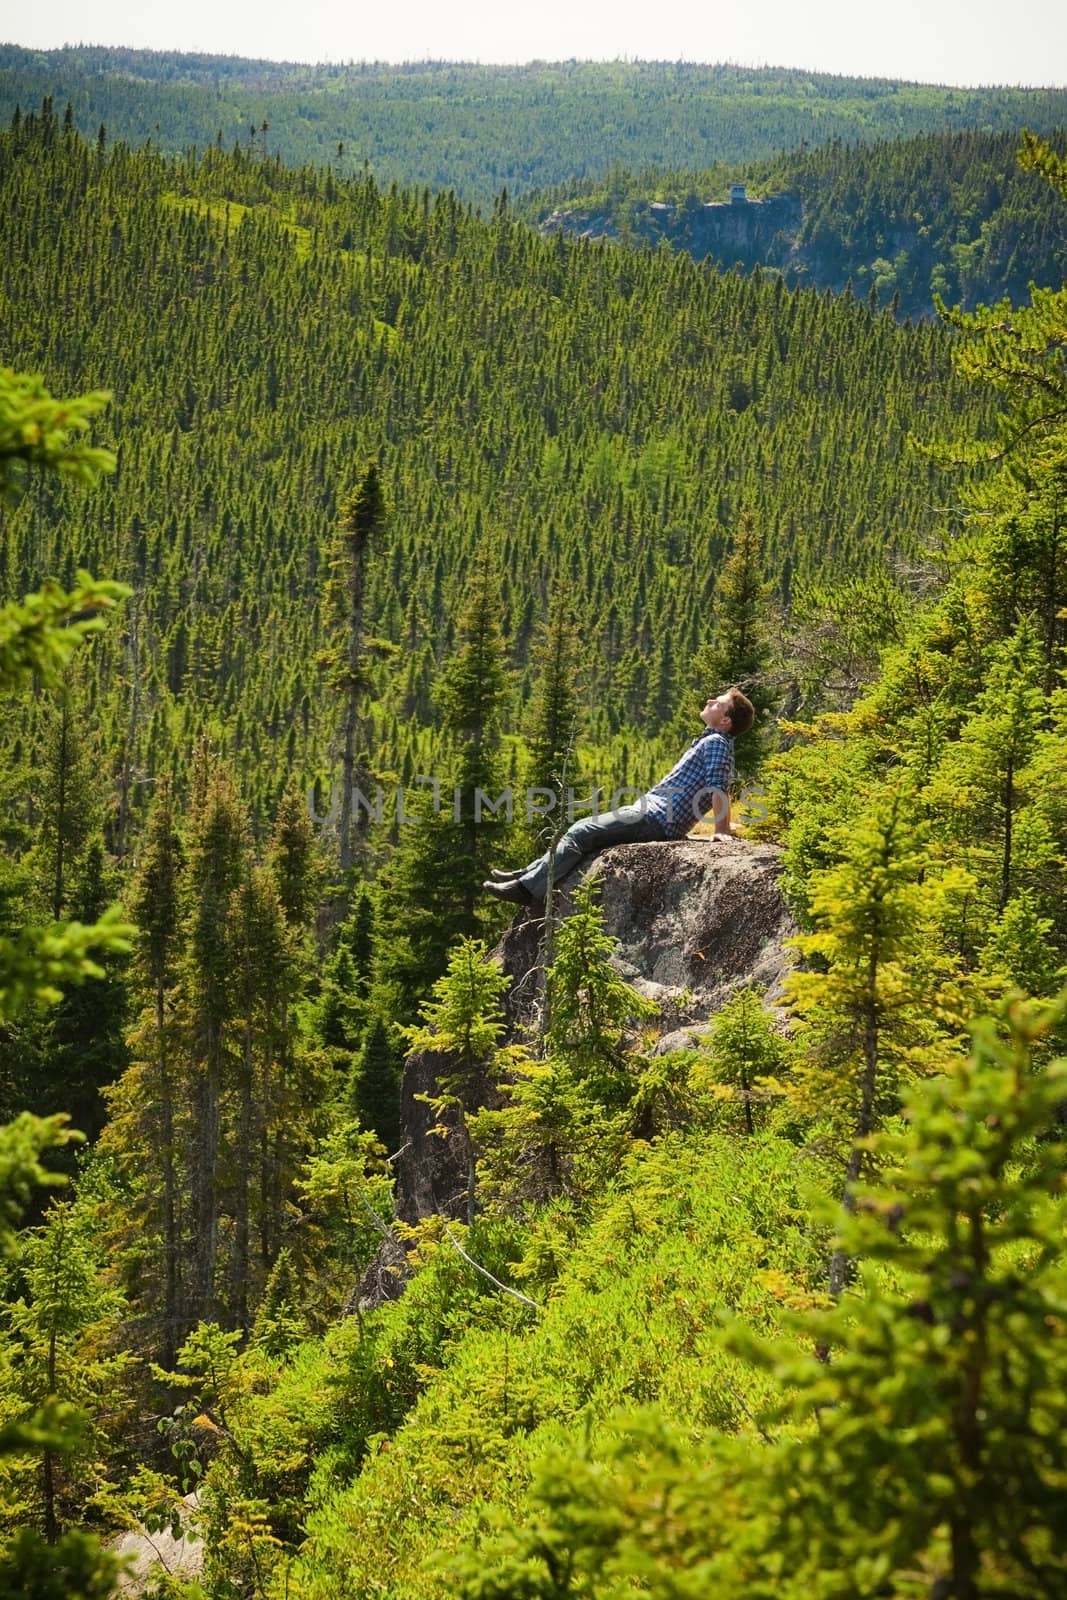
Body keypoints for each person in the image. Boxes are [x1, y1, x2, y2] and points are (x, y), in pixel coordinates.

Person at [483, 686, 755, 907]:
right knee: (583, 830)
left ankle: (527, 890)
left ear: (725, 720)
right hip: (654, 814)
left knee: (582, 830)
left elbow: (718, 785)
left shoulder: (717, 742)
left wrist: (721, 829)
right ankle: (527, 876)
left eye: (718, 702)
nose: (710, 700)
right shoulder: (712, 740)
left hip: (657, 818)